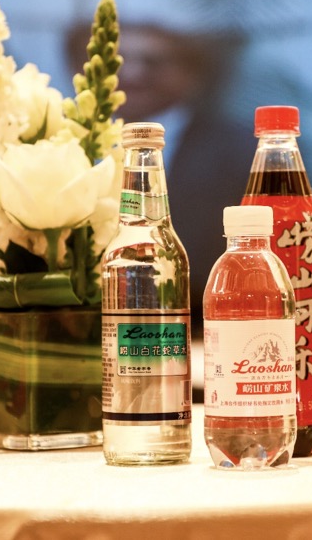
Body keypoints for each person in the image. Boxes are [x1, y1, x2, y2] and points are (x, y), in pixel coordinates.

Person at [67, 22, 256, 331]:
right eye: (119, 62)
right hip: (80, 329)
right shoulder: (60, 143)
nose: (133, 74)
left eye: (152, 62)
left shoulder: (240, 148)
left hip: (201, 329)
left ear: (191, 74)